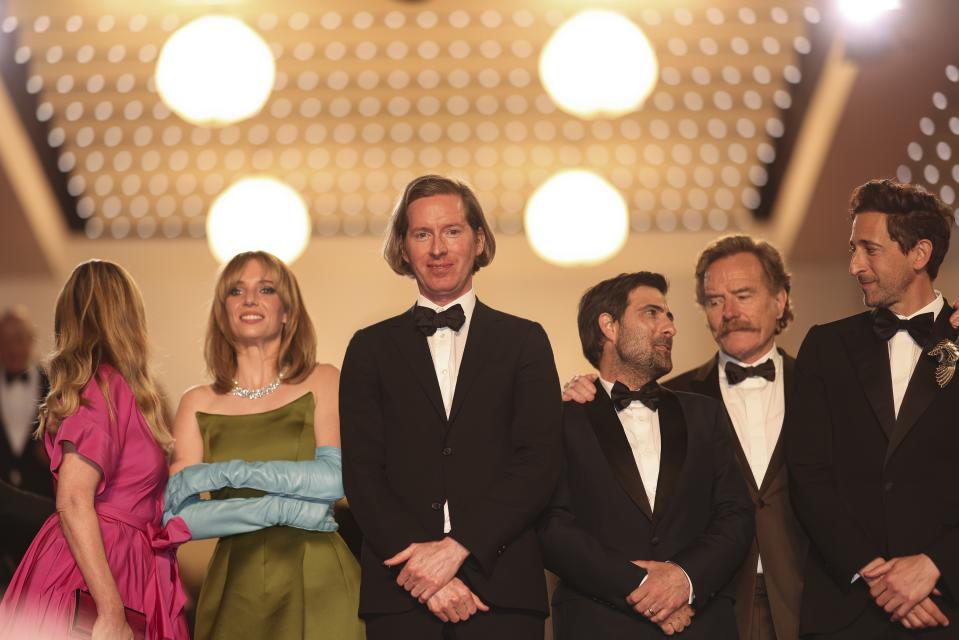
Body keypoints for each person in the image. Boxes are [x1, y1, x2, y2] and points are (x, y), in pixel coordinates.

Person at [340, 174, 562, 639]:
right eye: (422, 234)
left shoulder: (526, 341)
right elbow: (362, 474)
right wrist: (423, 574)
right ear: (404, 248)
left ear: (479, 240)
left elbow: (539, 463)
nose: (437, 248)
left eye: (452, 231)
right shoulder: (368, 348)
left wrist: (457, 549)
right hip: (400, 592)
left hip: (502, 588)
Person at [563, 236, 808, 639]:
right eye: (714, 301)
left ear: (780, 300)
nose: (729, 312)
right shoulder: (677, 396)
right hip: (712, 604)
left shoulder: (821, 385)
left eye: (743, 294)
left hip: (804, 593)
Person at [539, 271, 754, 639]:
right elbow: (552, 527)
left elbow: (735, 515)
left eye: (669, 316)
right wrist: (644, 588)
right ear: (609, 325)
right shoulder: (558, 419)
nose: (669, 327)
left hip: (698, 623)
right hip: (600, 624)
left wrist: (683, 580)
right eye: (653, 313)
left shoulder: (705, 414)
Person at [786, 178, 958, 637]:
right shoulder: (826, 346)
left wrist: (937, 564)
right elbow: (807, 472)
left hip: (947, 606)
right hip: (848, 610)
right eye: (852, 249)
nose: (854, 265)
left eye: (870, 249)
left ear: (919, 255)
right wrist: (874, 574)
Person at [162, 251, 363, 640]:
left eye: (265, 289)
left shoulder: (322, 380)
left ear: (287, 311)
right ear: (223, 313)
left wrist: (222, 475)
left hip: (320, 577)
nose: (250, 299)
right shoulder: (197, 401)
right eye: (236, 290)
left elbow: (334, 481)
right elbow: (178, 517)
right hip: (235, 584)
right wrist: (279, 508)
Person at [0, 259, 189, 639]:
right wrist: (109, 608)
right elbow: (72, 500)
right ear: (125, 314)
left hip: (115, 562)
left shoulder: (118, 390)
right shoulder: (104, 387)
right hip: (97, 571)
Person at [0, 308, 52, 498]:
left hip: (42, 501)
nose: (12, 349)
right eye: (4, 341)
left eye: (19, 339)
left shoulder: (55, 384)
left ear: (32, 340)